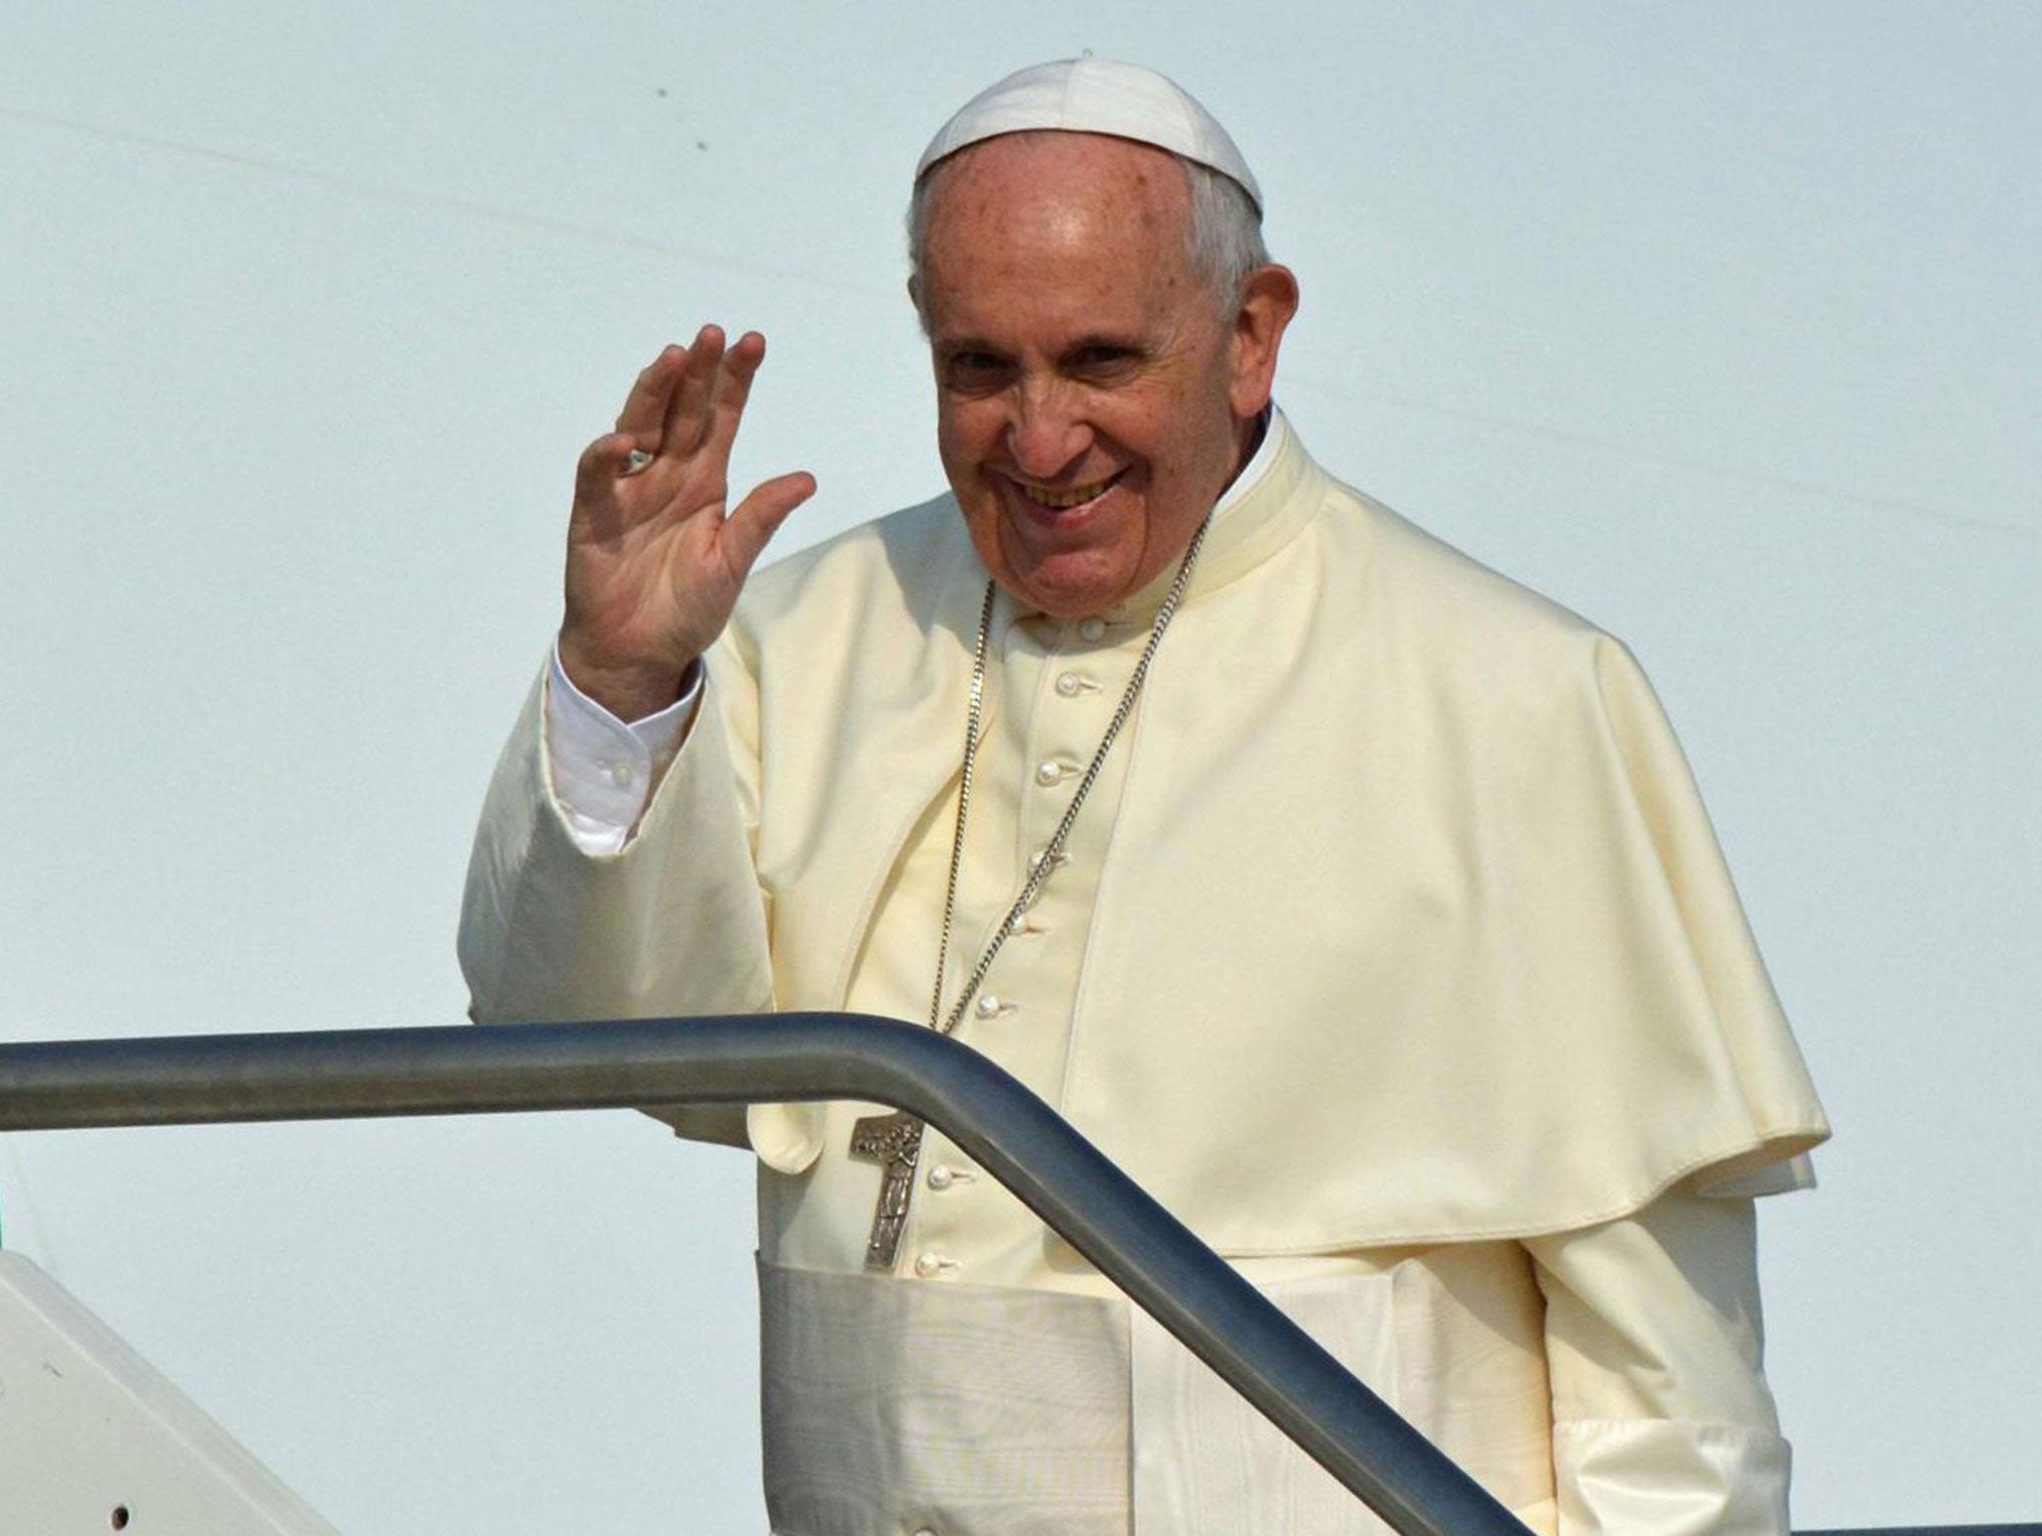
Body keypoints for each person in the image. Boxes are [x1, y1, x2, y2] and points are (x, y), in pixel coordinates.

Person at [461, 57, 1829, 1535]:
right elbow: (591, 1036)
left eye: (1102, 361)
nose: (1041, 443)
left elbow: (1672, 1393)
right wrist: (622, 682)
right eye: (980, 369)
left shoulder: (1516, 695)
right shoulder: (801, 636)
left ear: (1251, 337)